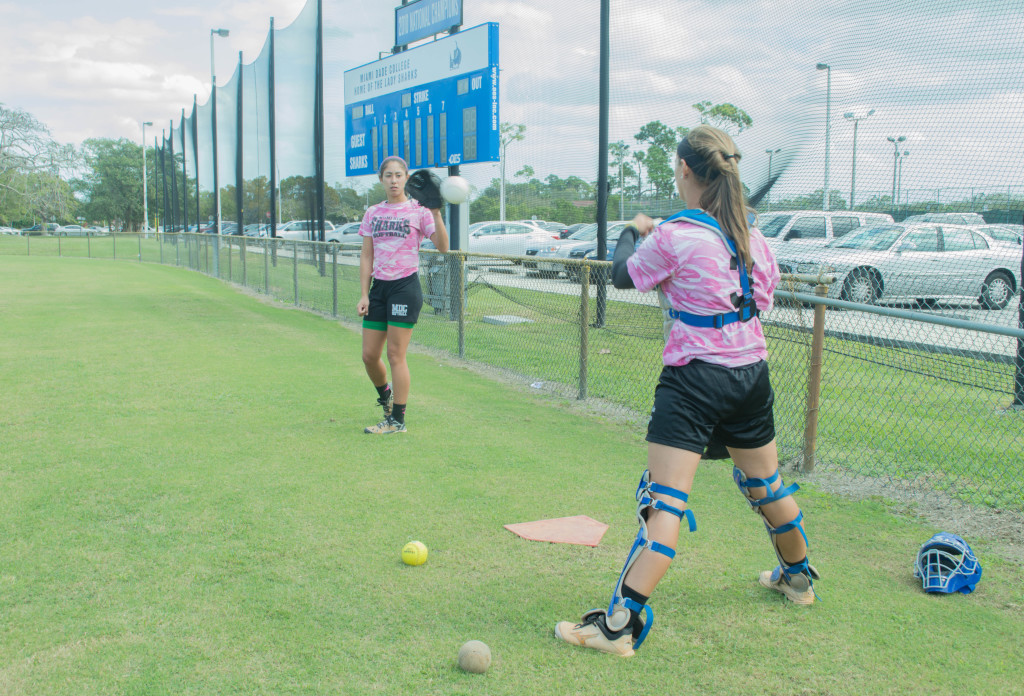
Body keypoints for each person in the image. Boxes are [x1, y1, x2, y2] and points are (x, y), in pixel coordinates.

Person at [554, 125, 818, 657]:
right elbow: (760, 298)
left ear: (686, 172)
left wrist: (634, 228)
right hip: (750, 375)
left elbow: (626, 275)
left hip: (694, 380)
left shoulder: (676, 234)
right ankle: (797, 580)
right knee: (766, 485)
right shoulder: (753, 237)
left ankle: (617, 627)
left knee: (664, 500)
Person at [357, 156, 449, 434]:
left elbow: (444, 247)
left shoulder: (419, 211)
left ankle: (397, 420)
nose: (394, 180)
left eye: (399, 175)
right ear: (381, 179)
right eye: (388, 175)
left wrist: (436, 212)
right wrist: (364, 294)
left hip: (404, 287)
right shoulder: (373, 212)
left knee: (396, 354)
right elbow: (366, 255)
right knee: (369, 356)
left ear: (407, 178)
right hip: (379, 289)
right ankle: (385, 398)